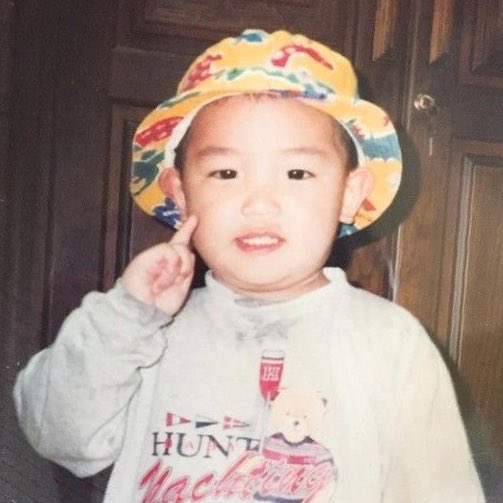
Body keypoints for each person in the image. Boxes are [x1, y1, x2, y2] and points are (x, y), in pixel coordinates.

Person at [14, 29, 485, 503]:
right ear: (180, 193)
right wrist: (126, 315)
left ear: (349, 194)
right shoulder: (140, 333)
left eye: (296, 173)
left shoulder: (390, 342)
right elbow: (59, 437)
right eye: (226, 173)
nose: (259, 203)